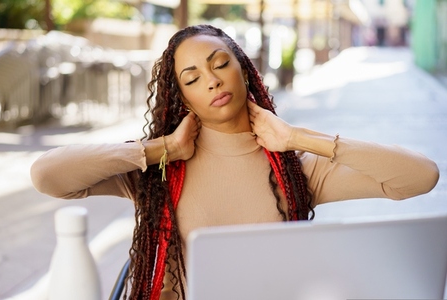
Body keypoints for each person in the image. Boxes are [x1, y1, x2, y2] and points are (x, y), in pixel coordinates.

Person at [30, 24, 439, 300]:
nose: (211, 80)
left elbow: (420, 177)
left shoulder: (294, 168)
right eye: (191, 79)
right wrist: (158, 150)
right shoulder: (158, 171)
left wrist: (298, 138)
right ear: (183, 98)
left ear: (243, 69)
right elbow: (48, 176)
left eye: (220, 63)